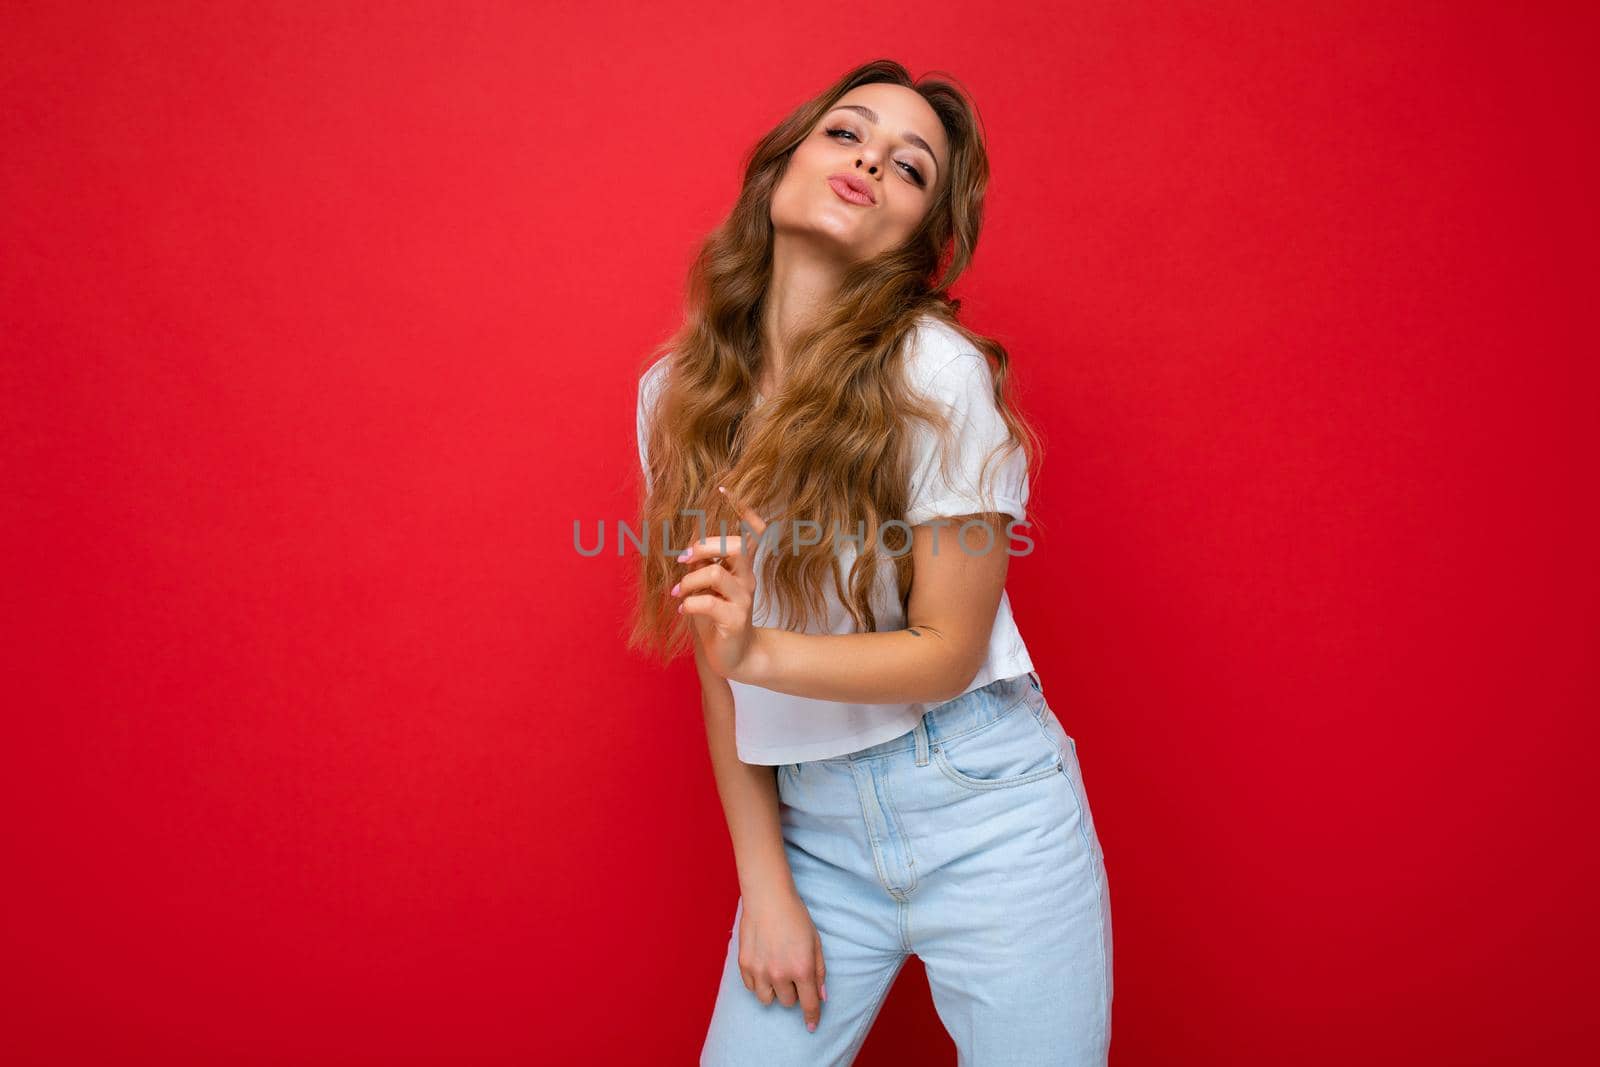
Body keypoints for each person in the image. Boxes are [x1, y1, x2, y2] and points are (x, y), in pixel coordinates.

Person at [628, 59, 1112, 1065]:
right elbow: (718, 660)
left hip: (987, 812)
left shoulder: (936, 373)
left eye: (909, 166)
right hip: (813, 838)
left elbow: (944, 648)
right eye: (846, 134)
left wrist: (757, 647)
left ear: (918, 240)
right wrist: (766, 884)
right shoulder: (673, 395)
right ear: (780, 167)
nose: (870, 161)